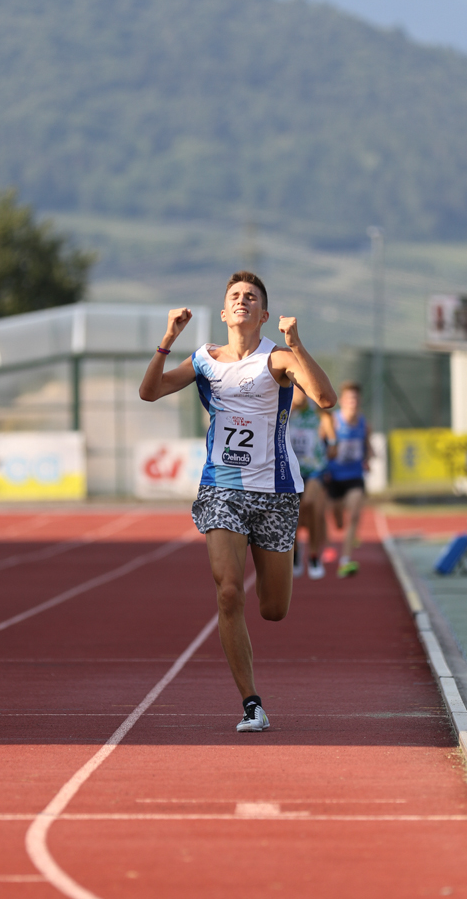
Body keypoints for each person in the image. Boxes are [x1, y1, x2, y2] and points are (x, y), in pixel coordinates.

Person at [139, 271, 336, 732]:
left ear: (263, 314)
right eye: (235, 296)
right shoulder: (204, 359)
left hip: (276, 492)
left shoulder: (278, 358)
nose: (242, 300)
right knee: (228, 591)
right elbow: (150, 392)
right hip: (221, 487)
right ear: (225, 313)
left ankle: (279, 570)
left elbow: (325, 399)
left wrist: (297, 344)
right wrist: (168, 339)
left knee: (273, 609)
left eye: (251, 296)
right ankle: (251, 703)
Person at [323, 381, 372, 578]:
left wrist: (368, 458)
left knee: (353, 516)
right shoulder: (333, 422)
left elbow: (367, 446)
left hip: (354, 477)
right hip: (334, 477)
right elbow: (320, 445)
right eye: (350, 398)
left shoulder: (364, 423)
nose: (353, 402)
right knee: (338, 522)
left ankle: (345, 560)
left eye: (356, 398)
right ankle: (337, 524)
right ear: (342, 401)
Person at [289, 388, 333, 579]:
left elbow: (330, 426)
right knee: (292, 515)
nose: (300, 394)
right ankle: (295, 553)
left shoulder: (317, 410)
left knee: (311, 505)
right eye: (295, 389)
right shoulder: (283, 408)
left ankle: (314, 556)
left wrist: (332, 443)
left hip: (315, 469)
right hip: (291, 471)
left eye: (302, 390)